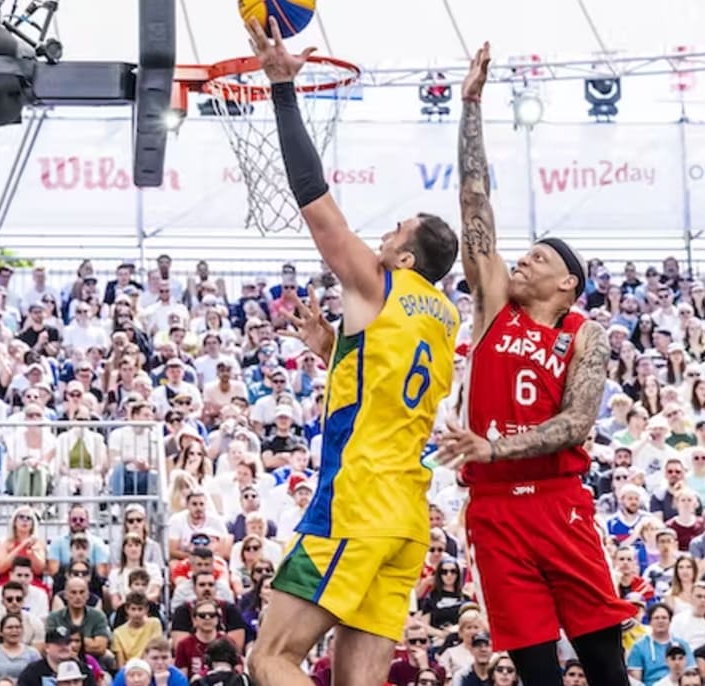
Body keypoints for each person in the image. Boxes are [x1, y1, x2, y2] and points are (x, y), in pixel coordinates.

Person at [241, 18, 460, 686]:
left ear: (403, 255)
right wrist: (336, 347)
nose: (383, 234)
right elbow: (389, 381)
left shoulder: (379, 281)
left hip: (354, 505)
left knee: (270, 657)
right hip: (405, 519)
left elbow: (317, 208)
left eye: (394, 230)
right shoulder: (443, 317)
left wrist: (283, 91)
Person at [432, 42, 633, 686]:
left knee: (605, 668)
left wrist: (495, 446)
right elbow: (473, 200)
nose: (523, 259)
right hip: (494, 513)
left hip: (559, 501)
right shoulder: (493, 305)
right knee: (536, 673)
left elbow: (577, 423)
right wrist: (470, 105)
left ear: (569, 283)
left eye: (539, 258)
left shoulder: (585, 333)